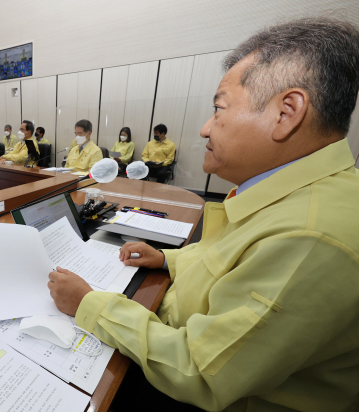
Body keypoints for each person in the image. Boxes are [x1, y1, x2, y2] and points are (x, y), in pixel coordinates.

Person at [47, 17, 359, 411]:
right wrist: (166, 258)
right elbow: (227, 258)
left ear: (287, 113)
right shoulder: (289, 193)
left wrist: (88, 303)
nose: (205, 128)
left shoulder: (311, 238)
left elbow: (201, 369)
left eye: (219, 108)